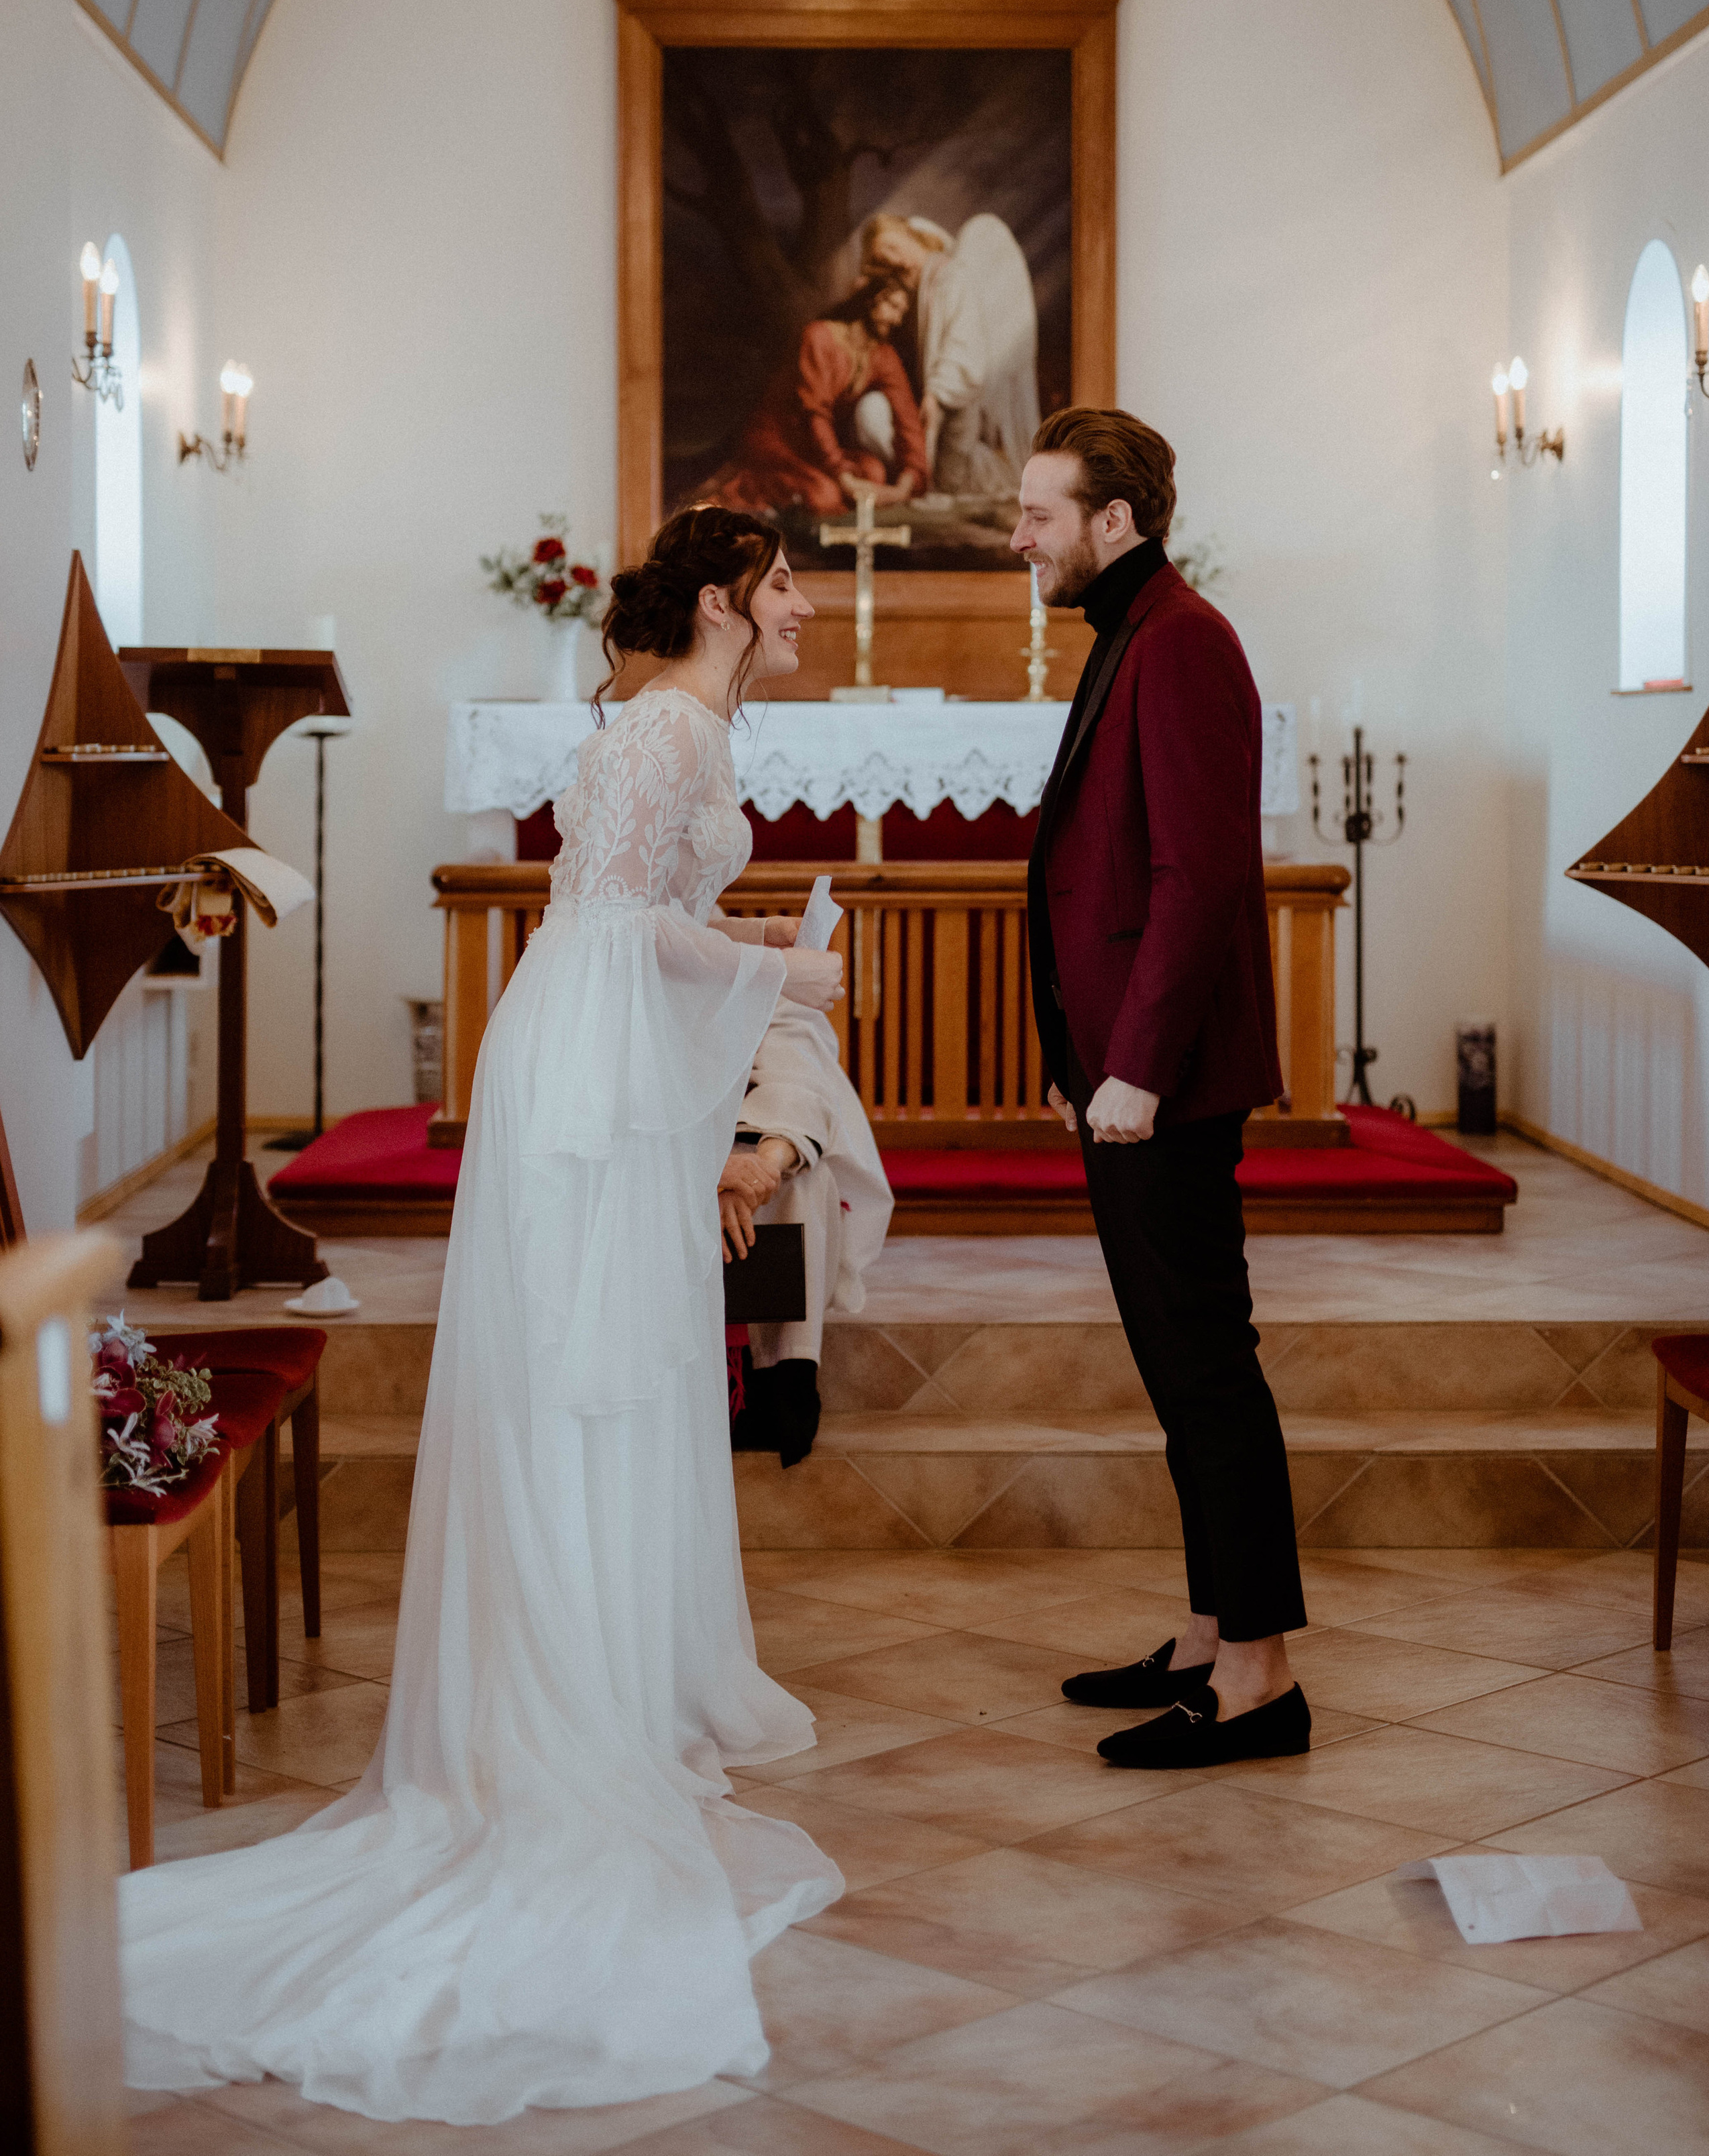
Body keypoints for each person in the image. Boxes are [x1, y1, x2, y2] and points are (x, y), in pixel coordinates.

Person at [120, 508, 849, 2126]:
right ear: (727, 601)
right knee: (586, 1377)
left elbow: (616, 930)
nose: (807, 608)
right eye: (788, 584)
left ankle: (601, 1671)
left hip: (586, 1067)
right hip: (580, 1081)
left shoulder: (677, 724)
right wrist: (777, 975)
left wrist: (734, 998)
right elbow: (610, 923)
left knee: (605, 1375)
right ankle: (561, 1710)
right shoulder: (667, 727)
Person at [1011, 407, 1311, 1768]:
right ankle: (1205, 1635)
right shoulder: (1134, 630)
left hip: (1165, 1082)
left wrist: (1132, 1065)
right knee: (1175, 1363)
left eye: (1036, 513)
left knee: (1207, 1368)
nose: (1017, 536)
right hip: (1125, 1071)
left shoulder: (1183, 643)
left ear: (1110, 523)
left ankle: (1258, 1680)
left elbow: (1197, 878)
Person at [717, 985, 894, 1466]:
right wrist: (703, 1168)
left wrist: (757, 1170)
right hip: (653, 1151)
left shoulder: (763, 983)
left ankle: (780, 1379)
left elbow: (802, 1090)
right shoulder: (625, 980)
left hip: (749, 1136)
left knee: (804, 1179)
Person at [706, 276, 926, 518]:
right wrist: (841, 475)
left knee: (873, 472)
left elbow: (908, 421)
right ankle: (749, 487)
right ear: (869, 301)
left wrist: (905, 485)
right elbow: (815, 414)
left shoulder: (883, 355)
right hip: (776, 440)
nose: (897, 319)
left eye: (902, 312)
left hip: (817, 448)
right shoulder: (819, 336)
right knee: (825, 497)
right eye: (893, 307)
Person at [861, 212, 1039, 497]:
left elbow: (963, 343)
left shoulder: (951, 276)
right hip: (935, 397)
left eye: (894, 248)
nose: (893, 261)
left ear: (910, 236)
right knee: (872, 415)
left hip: (956, 399)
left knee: (950, 476)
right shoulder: (916, 286)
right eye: (885, 259)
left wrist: (936, 394)